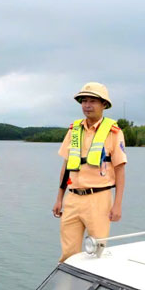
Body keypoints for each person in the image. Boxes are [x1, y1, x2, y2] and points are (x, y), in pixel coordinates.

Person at [52, 82, 127, 261]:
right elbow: (66, 166)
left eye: (93, 101)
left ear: (104, 105)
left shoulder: (114, 132)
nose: (87, 105)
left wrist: (117, 204)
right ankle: (69, 288)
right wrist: (59, 198)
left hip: (98, 199)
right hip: (72, 198)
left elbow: (120, 170)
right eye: (84, 101)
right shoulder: (74, 131)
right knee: (68, 253)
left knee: (97, 252)